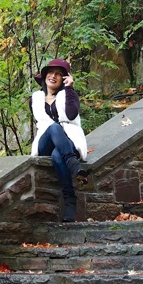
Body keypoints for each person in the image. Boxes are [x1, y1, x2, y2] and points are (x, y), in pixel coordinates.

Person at [29, 58, 89, 222]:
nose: (53, 76)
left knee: (57, 156)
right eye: (50, 72)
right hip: (45, 141)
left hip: (68, 140)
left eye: (58, 74)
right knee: (54, 128)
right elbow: (40, 123)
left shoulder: (69, 95)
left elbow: (70, 115)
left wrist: (69, 89)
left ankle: (70, 200)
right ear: (44, 76)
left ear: (64, 79)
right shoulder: (35, 99)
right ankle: (73, 163)